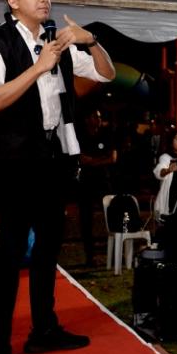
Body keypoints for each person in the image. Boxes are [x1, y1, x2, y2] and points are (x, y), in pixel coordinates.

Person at [0, 0, 116, 354]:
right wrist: (39, 66)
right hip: (16, 161)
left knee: (50, 247)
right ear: (12, 1)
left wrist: (92, 40)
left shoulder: (59, 42)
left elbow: (105, 73)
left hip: (55, 156)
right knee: (11, 250)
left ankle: (44, 329)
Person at [76, 108, 117, 268]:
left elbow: (112, 158)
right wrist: (99, 160)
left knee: (111, 216)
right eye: (94, 116)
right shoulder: (81, 136)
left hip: (103, 181)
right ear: (87, 119)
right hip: (85, 182)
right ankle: (90, 256)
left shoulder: (106, 135)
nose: (98, 120)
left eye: (100, 117)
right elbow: (80, 158)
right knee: (86, 219)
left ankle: (113, 253)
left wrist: (93, 161)